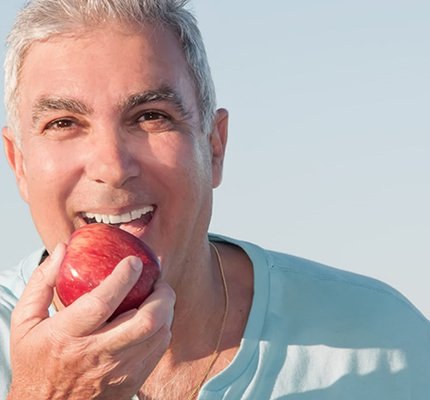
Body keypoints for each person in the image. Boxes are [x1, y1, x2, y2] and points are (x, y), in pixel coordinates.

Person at [0, 0, 429, 398]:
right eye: (63, 123)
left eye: (151, 116)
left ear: (215, 147)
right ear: (19, 164)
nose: (111, 166)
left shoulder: (386, 344)